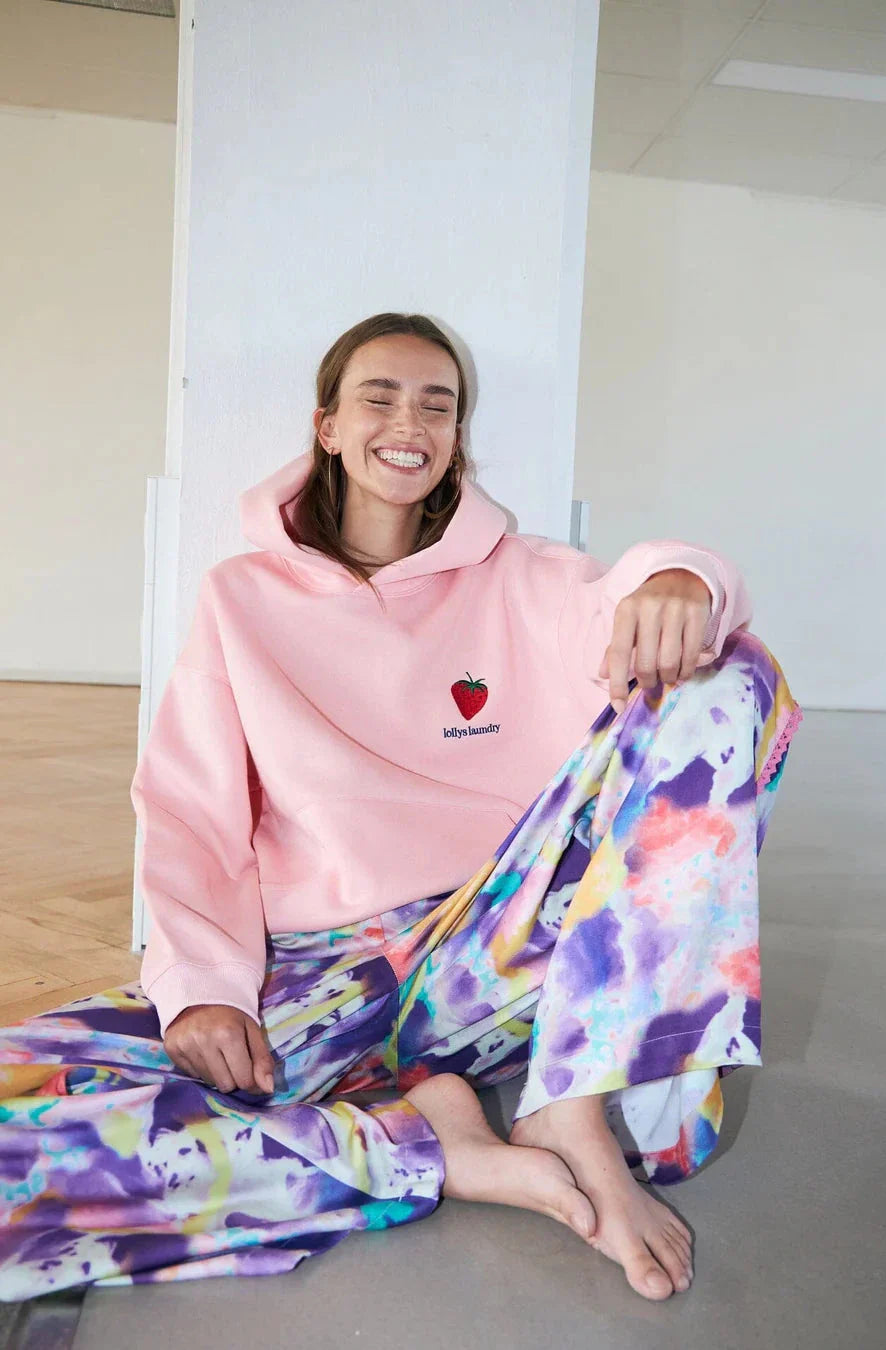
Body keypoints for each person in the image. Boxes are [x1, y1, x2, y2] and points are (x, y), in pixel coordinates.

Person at [0, 312, 803, 1305]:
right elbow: (192, 810)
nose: (409, 422)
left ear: (458, 437)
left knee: (732, 672)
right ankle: (427, 1148)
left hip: (503, 947)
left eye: (438, 404)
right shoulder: (241, 599)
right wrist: (205, 985)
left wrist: (684, 577)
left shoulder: (523, 576)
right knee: (19, 1122)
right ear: (328, 427)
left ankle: (576, 1096)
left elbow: (638, 601)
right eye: (378, 397)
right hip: (320, 972)